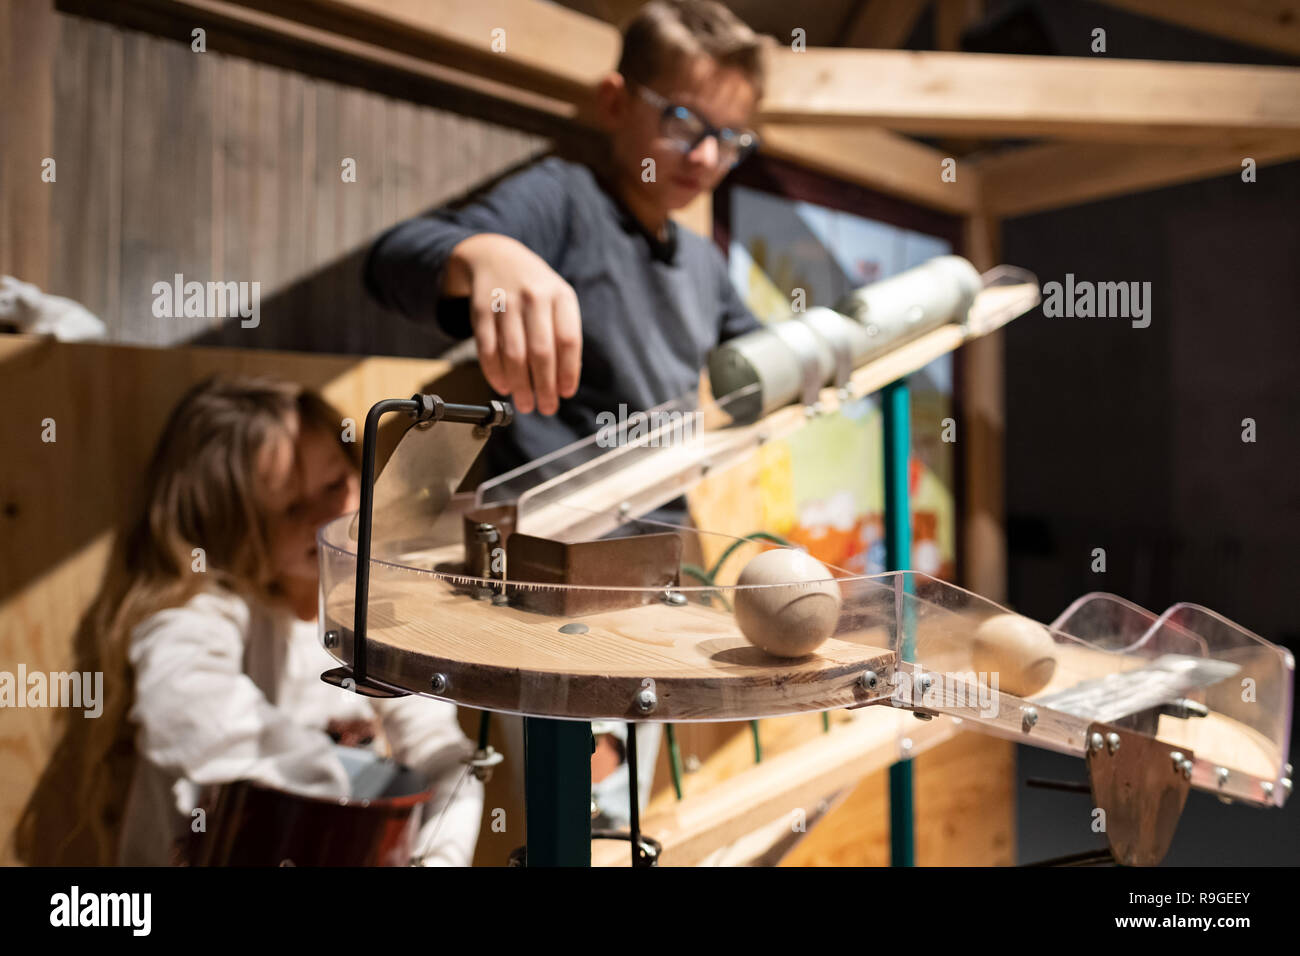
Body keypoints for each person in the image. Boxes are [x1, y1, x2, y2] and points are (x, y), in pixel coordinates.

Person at [77, 375, 482, 866]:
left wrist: (438, 856)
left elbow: (442, 753)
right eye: (292, 508)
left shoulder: (374, 613)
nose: (330, 516)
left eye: (335, 484)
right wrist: (329, 782)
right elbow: (179, 704)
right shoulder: (208, 609)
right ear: (227, 523)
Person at [364, 0, 767, 491]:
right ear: (616, 102)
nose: (706, 157)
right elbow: (391, 260)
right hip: (546, 538)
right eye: (683, 121)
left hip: (663, 525)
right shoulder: (566, 202)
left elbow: (762, 353)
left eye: (729, 140)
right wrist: (484, 254)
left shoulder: (703, 261)